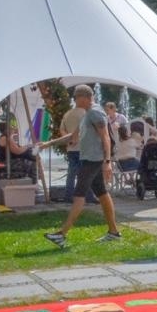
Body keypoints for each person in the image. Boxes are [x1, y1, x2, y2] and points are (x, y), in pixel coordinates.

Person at [45, 85, 120, 246]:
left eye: (76, 98)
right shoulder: (87, 114)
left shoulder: (94, 112)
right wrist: (47, 144)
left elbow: (106, 137)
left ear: (84, 97)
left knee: (79, 195)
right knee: (102, 194)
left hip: (93, 161)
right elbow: (73, 137)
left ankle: (61, 234)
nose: (74, 101)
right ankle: (113, 232)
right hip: (90, 159)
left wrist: (107, 162)